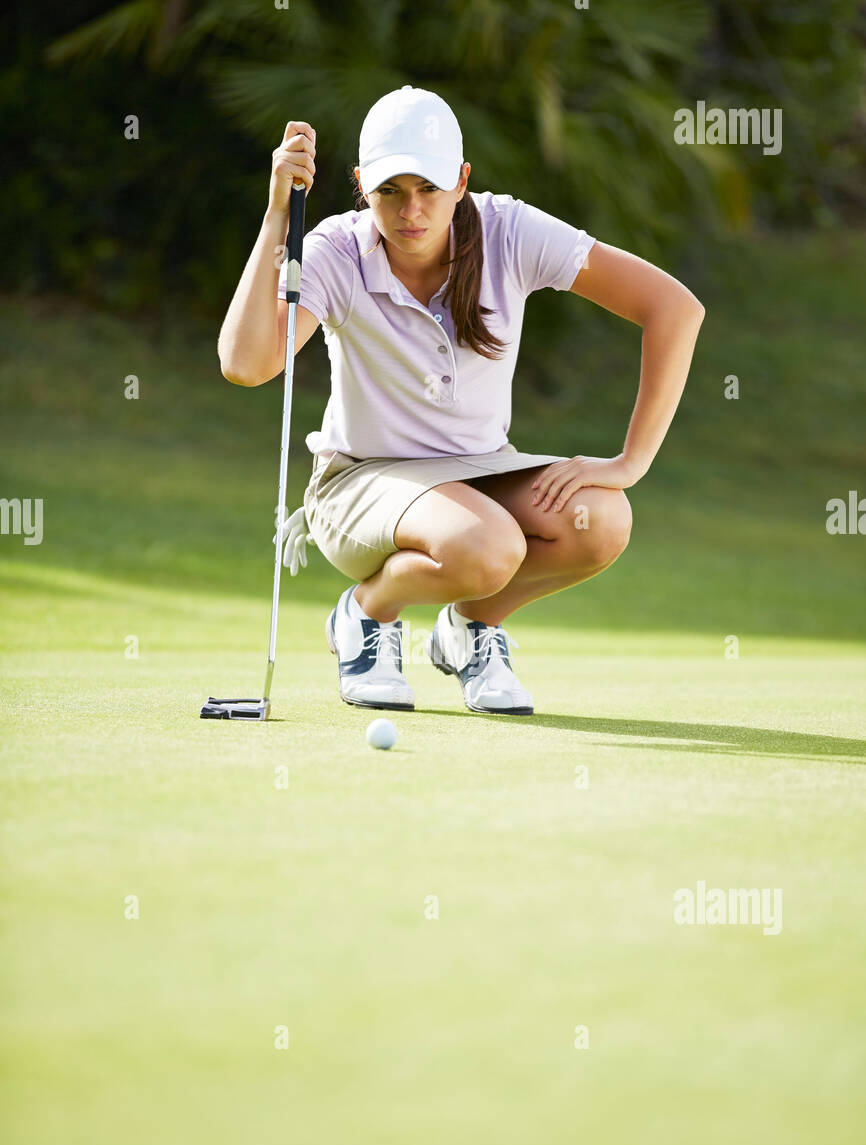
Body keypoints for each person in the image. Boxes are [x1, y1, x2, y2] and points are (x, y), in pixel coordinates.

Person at [218, 86, 704, 716]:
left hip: (478, 473)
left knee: (602, 520)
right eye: (390, 190)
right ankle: (366, 615)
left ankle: (472, 628)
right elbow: (246, 365)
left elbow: (674, 308)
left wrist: (630, 462)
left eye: (429, 188)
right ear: (363, 185)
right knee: (489, 546)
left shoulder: (509, 229)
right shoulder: (338, 248)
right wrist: (278, 218)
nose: (411, 211)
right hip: (360, 482)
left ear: (462, 181)